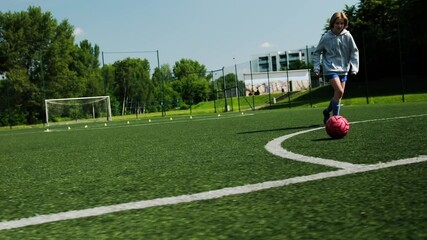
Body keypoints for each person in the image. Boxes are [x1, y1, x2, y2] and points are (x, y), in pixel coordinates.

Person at [312, 11, 359, 125]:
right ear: (333, 23)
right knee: (339, 91)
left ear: (345, 24)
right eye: (337, 23)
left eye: (342, 23)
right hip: (331, 69)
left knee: (339, 95)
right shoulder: (326, 37)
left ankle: (327, 111)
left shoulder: (347, 36)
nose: (339, 25)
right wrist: (317, 68)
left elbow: (354, 51)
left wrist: (354, 68)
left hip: (344, 69)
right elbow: (317, 52)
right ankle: (336, 119)